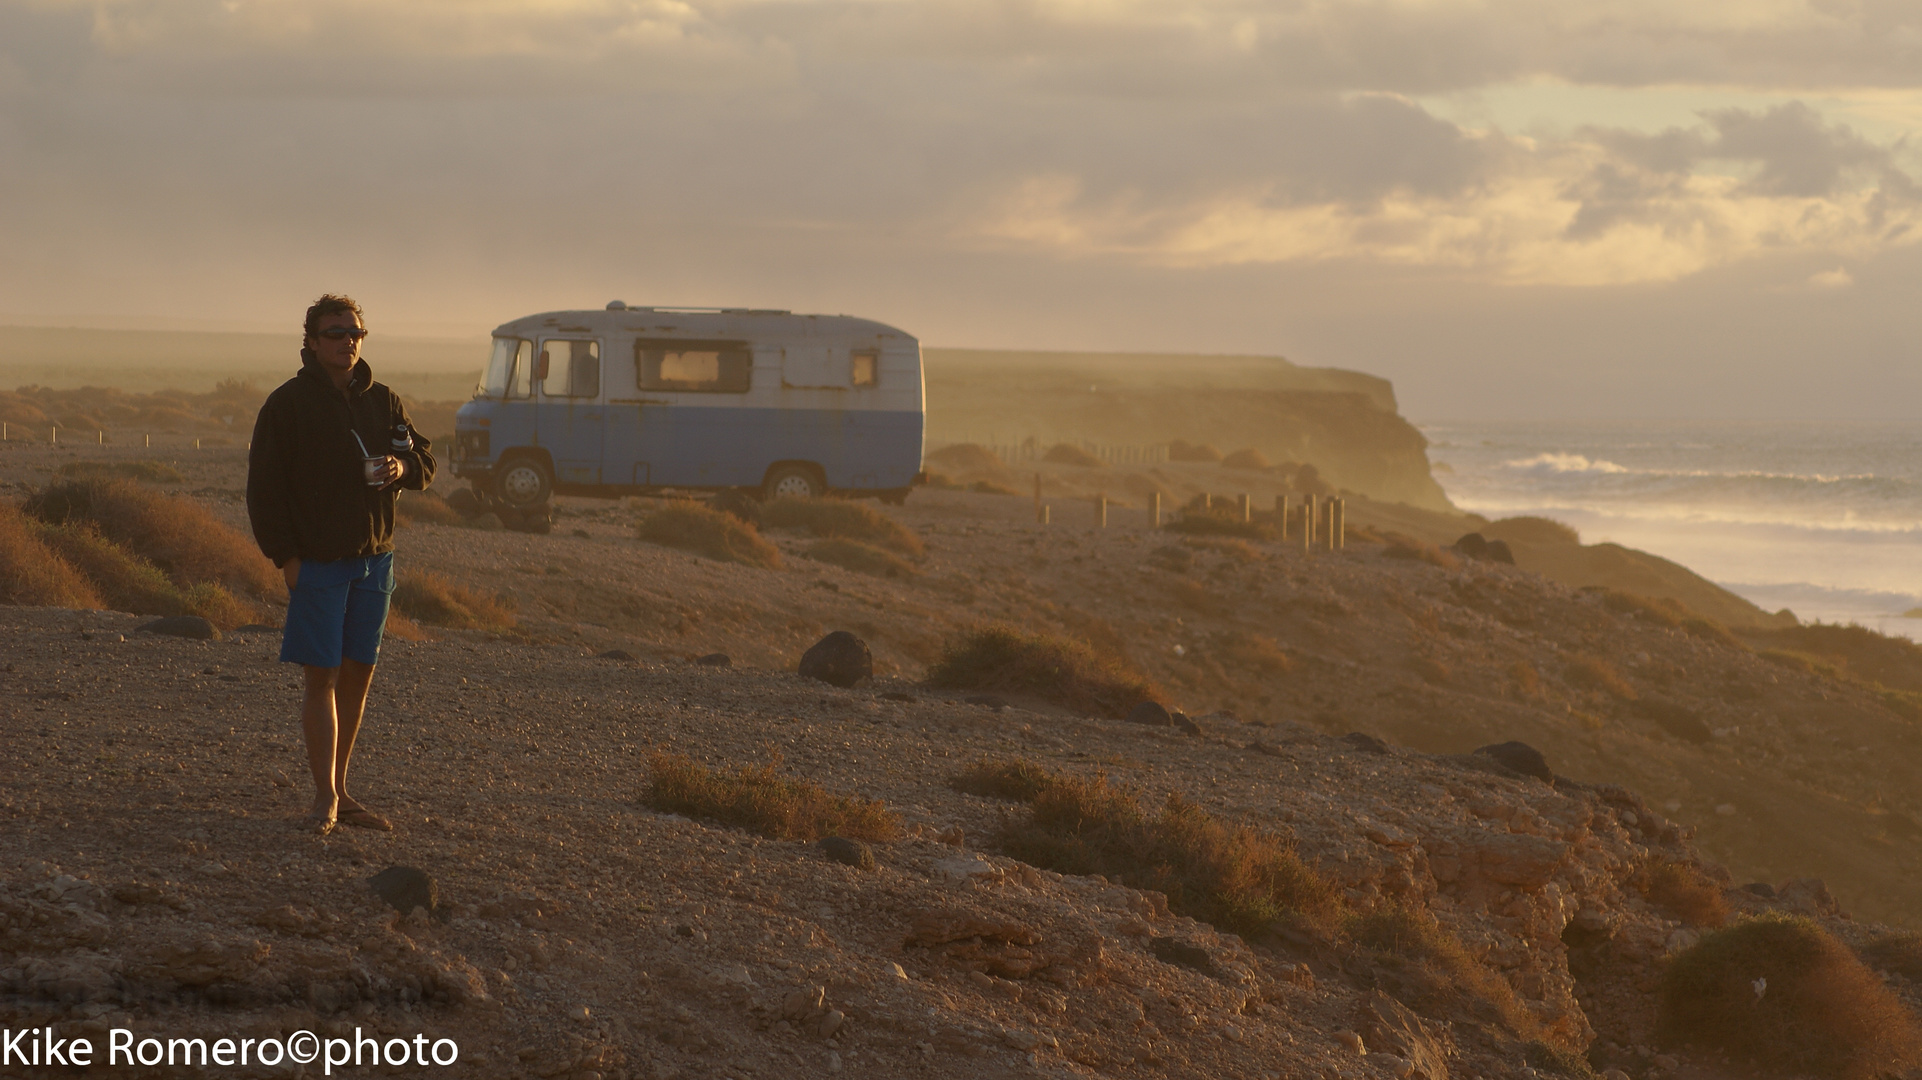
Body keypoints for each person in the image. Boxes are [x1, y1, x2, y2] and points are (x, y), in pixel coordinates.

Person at [246, 294, 435, 833]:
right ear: (310, 340)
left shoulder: (384, 401)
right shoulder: (286, 405)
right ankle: (324, 797)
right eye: (334, 333)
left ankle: (343, 791)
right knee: (321, 677)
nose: (346, 341)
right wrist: (286, 559)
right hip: (318, 563)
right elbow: (264, 490)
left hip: (375, 559)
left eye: (354, 332)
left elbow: (425, 462)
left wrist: (400, 467)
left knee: (358, 674)